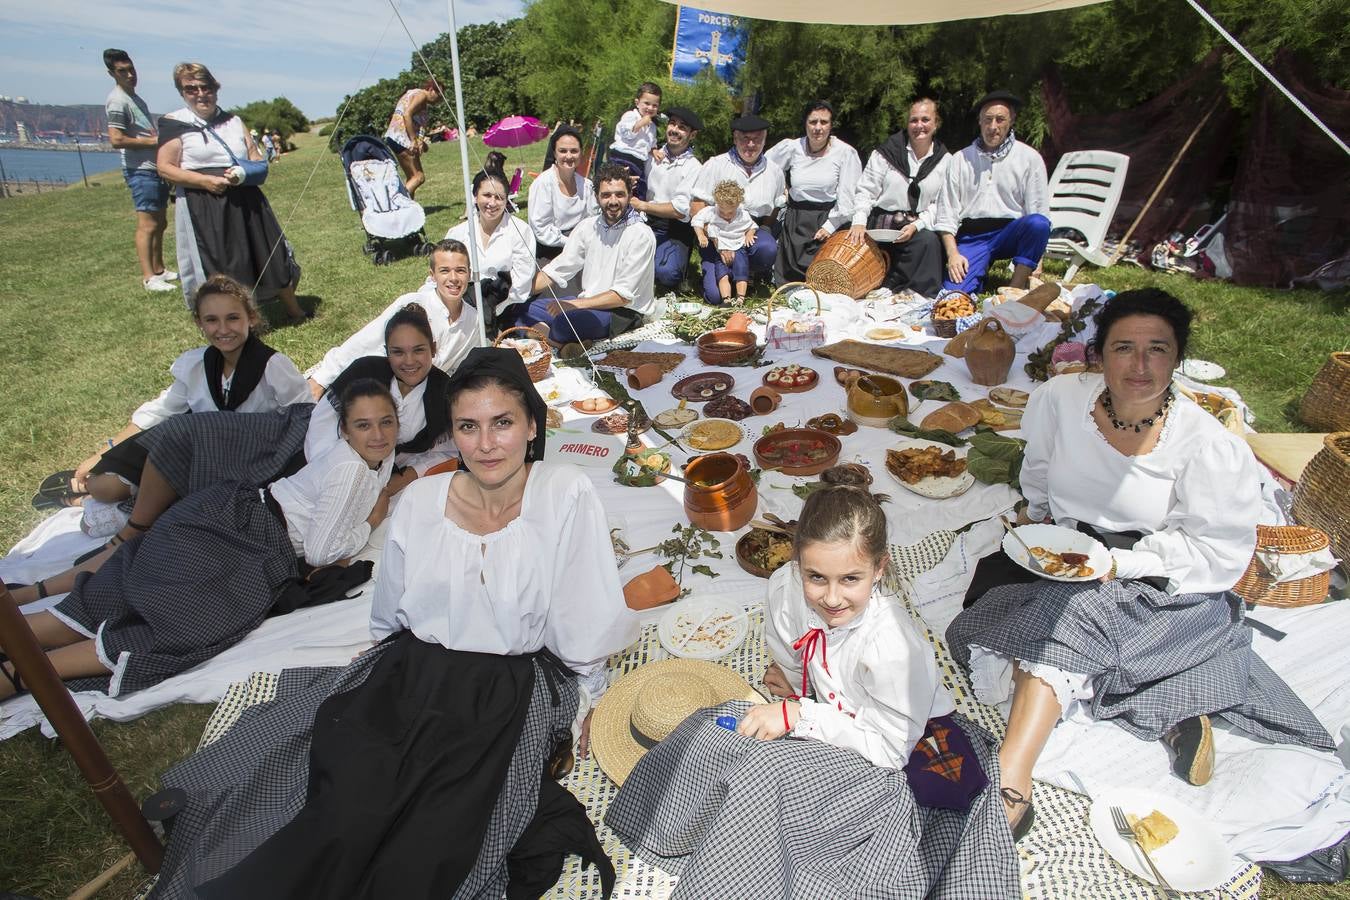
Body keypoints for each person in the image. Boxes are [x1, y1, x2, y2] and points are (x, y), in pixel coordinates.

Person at [146, 347, 640, 898]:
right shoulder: (423, 499)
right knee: (345, 794)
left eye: (502, 423)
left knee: (433, 832)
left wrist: (590, 694)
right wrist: (379, 660)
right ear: (451, 433)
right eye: (468, 427)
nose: (485, 443)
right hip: (412, 671)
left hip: (502, 692)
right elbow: (393, 606)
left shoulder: (563, 490)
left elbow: (583, 608)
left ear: (531, 424)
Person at [946, 289, 1333, 838]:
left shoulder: (1206, 445)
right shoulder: (1060, 399)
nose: (1141, 365)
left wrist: (1123, 564)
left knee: (1063, 628)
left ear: (1178, 359)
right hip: (1068, 554)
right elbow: (1039, 473)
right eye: (1124, 347)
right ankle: (1167, 701)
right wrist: (1040, 532)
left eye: (1158, 349)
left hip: (1162, 578)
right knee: (1024, 616)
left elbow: (1217, 552)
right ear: (1097, 355)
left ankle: (1013, 780)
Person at [604, 465, 1018, 896]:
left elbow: (889, 748)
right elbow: (793, 654)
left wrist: (801, 714)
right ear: (796, 562)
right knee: (719, 724)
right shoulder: (786, 589)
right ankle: (679, 837)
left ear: (879, 569)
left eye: (850, 579)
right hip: (833, 718)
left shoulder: (893, 646)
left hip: (889, 754)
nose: (832, 597)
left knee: (764, 773)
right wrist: (800, 689)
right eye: (816, 577)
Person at [1, 380, 397, 702]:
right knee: (185, 625)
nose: (378, 435)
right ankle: (22, 674)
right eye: (364, 425)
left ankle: (18, 649)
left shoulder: (377, 458)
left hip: (231, 516)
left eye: (386, 422)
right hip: (246, 538)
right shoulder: (349, 469)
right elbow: (321, 551)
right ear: (344, 429)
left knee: (128, 590)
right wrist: (370, 521)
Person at [60, 275, 308, 517]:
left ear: (251, 318)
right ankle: (87, 488)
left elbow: (305, 417)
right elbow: (160, 411)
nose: (223, 329)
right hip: (193, 454)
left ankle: (96, 501)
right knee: (107, 488)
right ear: (199, 323)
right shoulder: (196, 364)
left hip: (249, 460)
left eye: (232, 318)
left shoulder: (273, 366)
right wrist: (104, 452)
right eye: (211, 320)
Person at [156, 62, 307, 323]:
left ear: (215, 89)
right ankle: (245, 321)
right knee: (225, 266)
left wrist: (243, 174)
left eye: (206, 87)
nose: (200, 93)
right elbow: (166, 168)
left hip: (246, 199)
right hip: (206, 205)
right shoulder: (176, 124)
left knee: (270, 252)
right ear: (182, 92)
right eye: (191, 89)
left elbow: (256, 158)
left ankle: (294, 310)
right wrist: (204, 181)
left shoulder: (234, 121)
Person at [306, 239, 479, 398]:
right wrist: (321, 380)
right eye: (445, 271)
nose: (454, 278)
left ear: (469, 274)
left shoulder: (474, 320)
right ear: (432, 275)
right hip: (377, 384)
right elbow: (364, 342)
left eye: (460, 270)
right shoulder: (414, 304)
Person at [305, 304, 454, 479]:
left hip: (395, 480)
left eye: (418, 350)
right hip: (334, 469)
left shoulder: (446, 391)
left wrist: (405, 477)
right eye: (398, 352)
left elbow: (446, 450)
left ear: (433, 348)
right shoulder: (363, 372)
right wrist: (333, 473)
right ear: (387, 353)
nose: (409, 361)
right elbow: (322, 426)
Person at [523, 163, 656, 346]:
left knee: (563, 325)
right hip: (586, 302)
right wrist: (518, 292)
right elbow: (558, 268)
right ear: (596, 197)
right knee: (525, 309)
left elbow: (623, 296)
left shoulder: (641, 234)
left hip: (621, 311)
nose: (613, 201)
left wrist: (574, 305)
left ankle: (553, 337)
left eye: (619, 194)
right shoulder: (588, 226)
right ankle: (560, 344)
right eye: (606, 195)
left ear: (630, 195)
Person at [934, 91, 1049, 294]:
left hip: (1011, 232)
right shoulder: (960, 159)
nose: (993, 126)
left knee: (1038, 223)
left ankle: (1014, 290)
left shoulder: (1029, 158)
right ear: (979, 121)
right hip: (973, 236)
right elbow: (947, 212)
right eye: (987, 119)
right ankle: (978, 270)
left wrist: (1037, 258)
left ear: (1011, 121)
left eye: (1000, 119)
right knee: (954, 295)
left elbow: (1038, 210)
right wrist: (953, 254)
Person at [848, 97, 951, 297]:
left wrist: (916, 226)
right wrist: (859, 222)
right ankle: (878, 285)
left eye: (925, 119)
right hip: (881, 226)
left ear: (936, 124)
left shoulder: (945, 160)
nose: (919, 125)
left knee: (929, 242)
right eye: (914, 120)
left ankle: (916, 296)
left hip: (916, 227)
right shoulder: (886, 153)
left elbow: (942, 203)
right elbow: (866, 190)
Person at [102, 49, 176, 293]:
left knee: (160, 222)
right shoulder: (118, 100)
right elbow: (117, 139)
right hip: (140, 170)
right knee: (147, 224)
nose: (130, 75)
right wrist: (155, 142)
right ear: (112, 73)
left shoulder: (135, 98)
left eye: (131, 69)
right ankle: (148, 276)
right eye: (123, 71)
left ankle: (159, 268)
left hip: (154, 169)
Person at [766, 100, 861, 284]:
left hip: (826, 221)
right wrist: (781, 190)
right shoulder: (792, 148)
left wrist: (830, 226)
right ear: (805, 124)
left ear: (831, 125)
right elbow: (766, 168)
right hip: (795, 221)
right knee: (789, 282)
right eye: (813, 122)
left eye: (824, 122)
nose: (818, 128)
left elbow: (848, 198)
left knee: (823, 280)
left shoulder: (845, 153)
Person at [689, 114, 785, 284]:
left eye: (757, 139)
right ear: (735, 138)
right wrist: (718, 242)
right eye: (745, 138)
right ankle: (726, 272)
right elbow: (697, 206)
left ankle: (750, 273)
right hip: (717, 232)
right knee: (715, 296)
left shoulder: (775, 171)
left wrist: (760, 230)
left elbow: (775, 208)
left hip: (750, 231)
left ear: (765, 140)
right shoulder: (716, 164)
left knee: (767, 248)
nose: (751, 144)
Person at [443, 167, 537, 335]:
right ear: (475, 196)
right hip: (459, 306)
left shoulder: (521, 231)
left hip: (504, 311)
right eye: (487, 195)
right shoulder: (457, 233)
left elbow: (521, 282)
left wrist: (489, 310)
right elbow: (442, 273)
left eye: (499, 197)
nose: (492, 203)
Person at [629, 105, 703, 293]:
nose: (674, 130)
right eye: (672, 124)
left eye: (682, 127)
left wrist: (643, 205)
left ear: (692, 135)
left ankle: (672, 266)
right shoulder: (651, 155)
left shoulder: (694, 167)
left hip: (674, 228)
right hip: (643, 221)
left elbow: (679, 210)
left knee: (668, 272)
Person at [528, 125, 598, 263]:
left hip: (581, 249)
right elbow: (541, 230)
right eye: (563, 151)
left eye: (574, 151)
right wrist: (571, 243)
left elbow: (592, 218)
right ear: (554, 153)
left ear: (580, 153)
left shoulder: (587, 185)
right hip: (550, 253)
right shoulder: (543, 184)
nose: (569, 156)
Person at [691, 180, 755, 303]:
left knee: (741, 272)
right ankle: (727, 300)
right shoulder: (710, 211)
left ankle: (741, 298)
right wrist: (701, 235)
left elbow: (752, 225)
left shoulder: (742, 214)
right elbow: (696, 221)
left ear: (737, 206)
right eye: (722, 211)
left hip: (738, 248)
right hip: (717, 251)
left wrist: (749, 234)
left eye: (730, 212)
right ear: (717, 204)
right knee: (722, 276)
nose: (726, 215)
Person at [384, 79, 441, 199]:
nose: (439, 100)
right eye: (439, 94)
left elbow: (416, 122)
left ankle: (408, 208)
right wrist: (413, 140)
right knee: (419, 177)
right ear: (431, 89)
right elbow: (407, 114)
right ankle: (396, 203)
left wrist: (421, 142)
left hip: (395, 137)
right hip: (401, 138)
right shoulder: (420, 95)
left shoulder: (416, 96)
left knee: (412, 177)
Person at [606, 81, 662, 200]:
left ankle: (635, 212)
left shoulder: (652, 126)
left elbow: (651, 143)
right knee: (617, 186)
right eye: (646, 103)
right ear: (637, 103)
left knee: (639, 188)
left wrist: (654, 150)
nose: (650, 108)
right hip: (622, 157)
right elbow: (627, 134)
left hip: (638, 162)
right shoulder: (630, 116)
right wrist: (640, 123)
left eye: (654, 105)